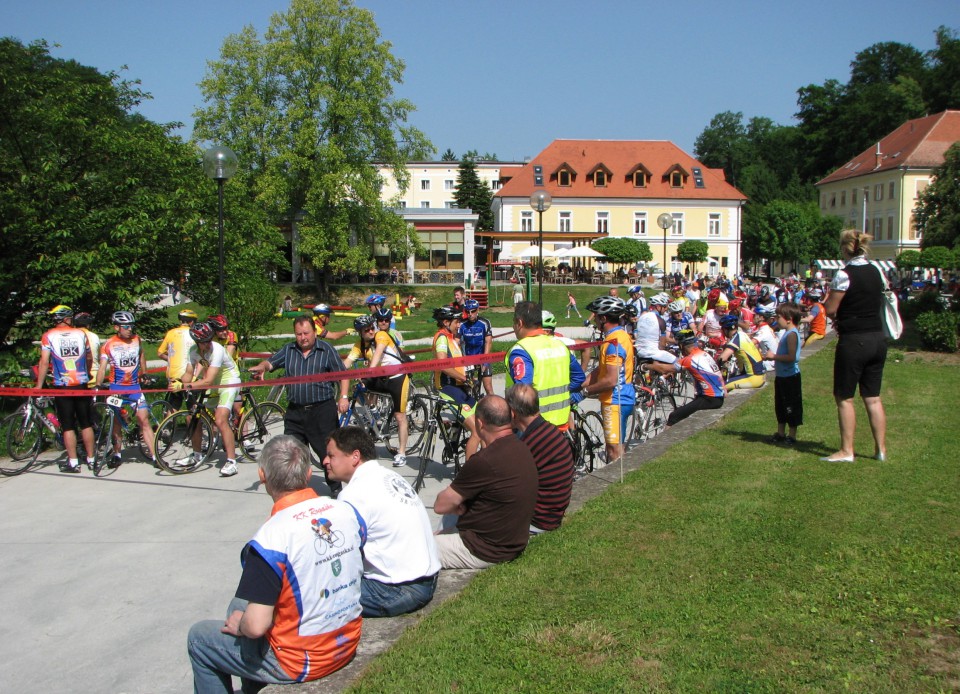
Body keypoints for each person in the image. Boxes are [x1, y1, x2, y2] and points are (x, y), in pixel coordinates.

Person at [186, 436, 365, 693]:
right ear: (307, 473)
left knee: (200, 638)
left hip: (302, 658)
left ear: (262, 475)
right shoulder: (345, 510)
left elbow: (257, 626)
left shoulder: (269, 539)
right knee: (239, 605)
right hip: (347, 641)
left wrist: (242, 625)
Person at [324, 427, 440, 617]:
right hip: (427, 578)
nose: (325, 461)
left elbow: (341, 552)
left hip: (399, 589)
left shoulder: (354, 494)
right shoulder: (388, 475)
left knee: (316, 593)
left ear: (355, 456)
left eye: (331, 455)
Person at [248, 316, 350, 495]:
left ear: (315, 332)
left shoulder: (326, 350)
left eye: (306, 333)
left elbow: (343, 374)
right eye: (299, 334)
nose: (303, 337)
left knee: (328, 452)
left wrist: (343, 397)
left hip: (322, 411)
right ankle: (293, 490)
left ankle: (336, 490)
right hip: (295, 412)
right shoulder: (289, 350)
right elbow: (270, 362)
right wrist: (262, 367)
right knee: (290, 453)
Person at [433, 396, 538, 569]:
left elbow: (440, 506)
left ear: (480, 424)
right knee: (442, 526)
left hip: (485, 549)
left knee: (415, 546)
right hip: (512, 540)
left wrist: (459, 504)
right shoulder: (521, 447)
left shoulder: (484, 460)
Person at [821, 230, 888, 462]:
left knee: (845, 396)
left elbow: (830, 308)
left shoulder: (844, 274)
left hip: (854, 339)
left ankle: (847, 450)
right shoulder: (877, 270)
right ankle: (880, 449)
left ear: (844, 248)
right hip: (877, 337)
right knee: (873, 397)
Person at [170, 322, 243, 476]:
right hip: (215, 381)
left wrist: (187, 386)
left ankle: (231, 461)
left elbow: (208, 380)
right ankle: (197, 455)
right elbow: (189, 374)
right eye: (205, 341)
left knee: (220, 419)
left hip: (229, 379)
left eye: (210, 339)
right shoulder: (193, 351)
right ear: (197, 342)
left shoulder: (216, 349)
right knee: (192, 416)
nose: (208, 343)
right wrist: (179, 382)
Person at [343, 314, 412, 467]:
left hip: (397, 377)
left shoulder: (381, 335)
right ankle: (374, 414)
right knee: (359, 388)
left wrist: (368, 373)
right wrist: (331, 373)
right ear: (360, 332)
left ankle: (401, 453)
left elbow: (377, 354)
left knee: (400, 416)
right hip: (381, 378)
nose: (370, 331)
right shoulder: (359, 345)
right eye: (366, 330)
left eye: (371, 327)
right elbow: (347, 362)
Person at [505, 383, 574, 534]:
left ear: (513, 413)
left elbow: (505, 487)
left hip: (537, 522)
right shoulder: (548, 431)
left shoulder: (529, 444)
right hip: (551, 515)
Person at [504, 302, 584, 431]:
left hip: (534, 428)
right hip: (561, 423)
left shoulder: (521, 350)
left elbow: (523, 393)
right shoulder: (559, 345)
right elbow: (579, 378)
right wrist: (563, 395)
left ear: (519, 323)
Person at [36, 305, 96, 473]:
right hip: (81, 383)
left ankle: (73, 462)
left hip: (62, 385)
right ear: (69, 319)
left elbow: (44, 362)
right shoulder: (81, 334)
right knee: (86, 423)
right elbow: (90, 357)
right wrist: (88, 373)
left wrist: (39, 386)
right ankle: (91, 459)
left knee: (68, 426)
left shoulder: (48, 336)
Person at [95, 311, 155, 466]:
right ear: (117, 327)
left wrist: (145, 372)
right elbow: (102, 368)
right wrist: (97, 385)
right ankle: (117, 454)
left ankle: (156, 457)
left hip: (135, 388)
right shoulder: (108, 345)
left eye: (132, 326)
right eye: (126, 326)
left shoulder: (137, 339)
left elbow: (141, 355)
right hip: (117, 389)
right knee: (116, 423)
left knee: (144, 420)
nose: (130, 329)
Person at [580, 296, 635, 462]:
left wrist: (584, 391)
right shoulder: (620, 336)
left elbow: (611, 380)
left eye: (596, 316)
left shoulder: (613, 343)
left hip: (615, 401)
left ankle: (618, 486)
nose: (595, 320)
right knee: (616, 446)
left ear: (603, 318)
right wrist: (580, 384)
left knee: (613, 451)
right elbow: (601, 370)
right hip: (622, 398)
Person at [647, 330, 725, 426]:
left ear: (681, 346)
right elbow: (679, 367)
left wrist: (647, 366)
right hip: (716, 396)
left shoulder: (690, 360)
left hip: (710, 399)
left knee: (674, 416)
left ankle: (669, 440)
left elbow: (664, 369)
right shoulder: (703, 354)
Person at [431, 306, 480, 460]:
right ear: (446, 322)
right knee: (477, 431)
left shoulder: (451, 338)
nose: (459, 325)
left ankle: (453, 438)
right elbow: (442, 364)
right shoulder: (442, 338)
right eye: (457, 322)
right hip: (448, 387)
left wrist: (468, 377)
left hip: (459, 387)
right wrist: (464, 378)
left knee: (484, 424)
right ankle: (470, 475)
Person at [765, 302, 803, 446]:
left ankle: (792, 435)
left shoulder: (792, 334)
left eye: (778, 316)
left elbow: (792, 357)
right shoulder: (787, 333)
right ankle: (780, 433)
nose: (776, 319)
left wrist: (773, 356)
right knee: (780, 405)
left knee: (791, 406)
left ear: (788, 318)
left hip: (790, 377)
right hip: (781, 377)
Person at [157, 308, 197, 409]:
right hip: (190, 376)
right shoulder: (195, 334)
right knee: (192, 408)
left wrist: (171, 359)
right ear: (192, 321)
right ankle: (192, 425)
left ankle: (168, 424)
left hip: (173, 375)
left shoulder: (171, 333)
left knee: (173, 406)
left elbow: (160, 353)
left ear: (181, 321)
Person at [717, 313, 766, 391]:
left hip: (753, 377)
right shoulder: (742, 334)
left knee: (719, 387)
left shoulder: (736, 340)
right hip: (760, 375)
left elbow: (721, 359)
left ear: (726, 329)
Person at [458, 298, 494, 397]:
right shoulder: (462, 324)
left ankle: (494, 410)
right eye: (467, 311)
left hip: (482, 356)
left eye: (473, 311)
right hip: (469, 359)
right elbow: (456, 343)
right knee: (470, 388)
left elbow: (488, 342)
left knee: (488, 387)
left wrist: (485, 360)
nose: (470, 314)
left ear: (478, 310)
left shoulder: (485, 323)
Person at [634, 293, 676, 364]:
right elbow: (662, 345)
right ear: (658, 307)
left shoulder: (642, 317)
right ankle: (662, 375)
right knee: (679, 363)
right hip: (652, 353)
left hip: (639, 351)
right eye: (665, 307)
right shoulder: (660, 321)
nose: (666, 309)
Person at [72, 312, 100, 383]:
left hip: (75, 376)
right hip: (94, 375)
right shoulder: (94, 336)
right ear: (88, 325)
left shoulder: (72, 336)